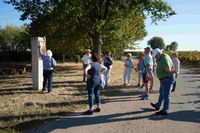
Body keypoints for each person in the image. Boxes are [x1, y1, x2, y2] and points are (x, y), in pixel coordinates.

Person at [151, 48, 176, 115]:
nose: (155, 57)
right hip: (164, 79)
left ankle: (165, 110)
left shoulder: (164, 58)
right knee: (162, 94)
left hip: (167, 79)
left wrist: (175, 71)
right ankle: (158, 105)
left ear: (159, 53)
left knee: (166, 95)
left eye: (156, 56)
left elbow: (168, 69)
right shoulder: (162, 57)